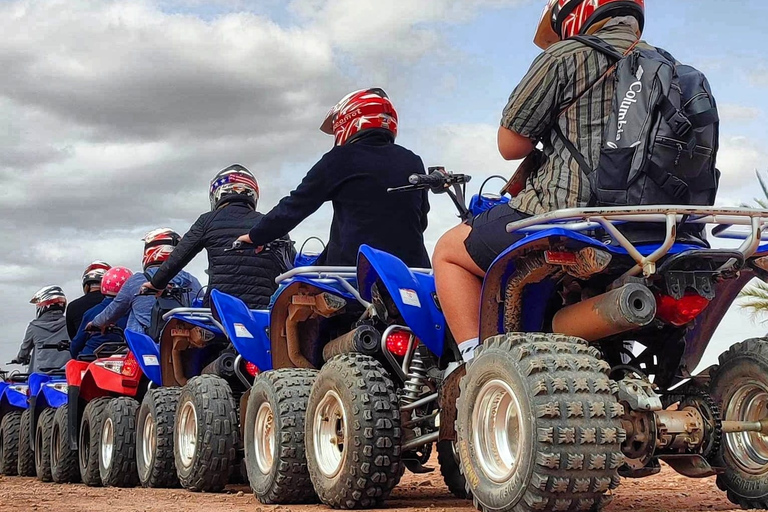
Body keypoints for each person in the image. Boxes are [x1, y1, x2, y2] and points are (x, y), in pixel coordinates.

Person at [433, 0, 646, 360]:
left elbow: (510, 145)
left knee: (449, 252)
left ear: (576, 12)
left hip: (568, 209)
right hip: (653, 224)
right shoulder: (670, 66)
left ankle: (474, 365)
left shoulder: (567, 55)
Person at [237, 88, 431, 268]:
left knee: (283, 296)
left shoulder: (341, 158)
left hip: (356, 273)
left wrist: (257, 236)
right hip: (411, 271)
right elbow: (421, 220)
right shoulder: (413, 160)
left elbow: (295, 206)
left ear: (349, 120)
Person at [140, 165, 293, 309]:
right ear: (253, 194)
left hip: (220, 311)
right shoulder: (271, 223)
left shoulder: (207, 221)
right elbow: (293, 265)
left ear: (217, 193)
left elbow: (178, 257)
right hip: (265, 313)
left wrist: (156, 283)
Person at [90, 229, 202, 335]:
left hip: (148, 347)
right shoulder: (193, 281)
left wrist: (95, 323)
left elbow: (112, 312)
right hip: (187, 346)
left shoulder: (138, 280)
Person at [70, 266, 133, 358]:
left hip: (90, 358)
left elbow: (77, 344)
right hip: (124, 360)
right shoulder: (133, 313)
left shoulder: (91, 313)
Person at [12, 286, 71, 372]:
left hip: (41, 374)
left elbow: (24, 350)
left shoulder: (34, 326)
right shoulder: (69, 323)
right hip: (65, 372)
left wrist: (18, 359)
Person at [65, 261, 110, 339]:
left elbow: (73, 337)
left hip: (86, 349)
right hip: (119, 349)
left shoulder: (73, 306)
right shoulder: (120, 305)